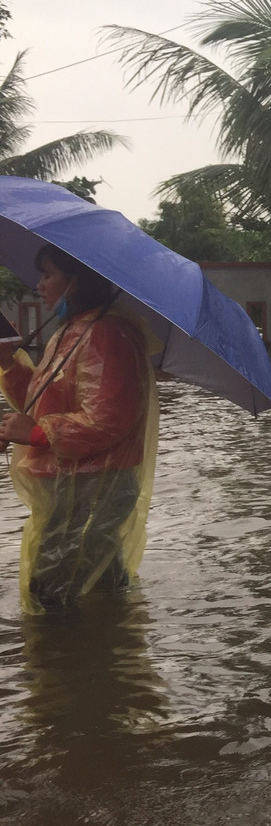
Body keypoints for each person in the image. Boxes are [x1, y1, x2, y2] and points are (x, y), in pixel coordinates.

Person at [0, 244, 158, 613]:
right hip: (74, 483)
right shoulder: (70, 331)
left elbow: (109, 419)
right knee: (99, 583)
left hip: (92, 485)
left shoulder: (107, 334)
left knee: (52, 592)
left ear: (75, 281)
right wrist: (9, 365)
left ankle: (60, 665)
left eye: (48, 275)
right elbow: (42, 401)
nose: (38, 285)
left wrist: (38, 434)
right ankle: (108, 653)